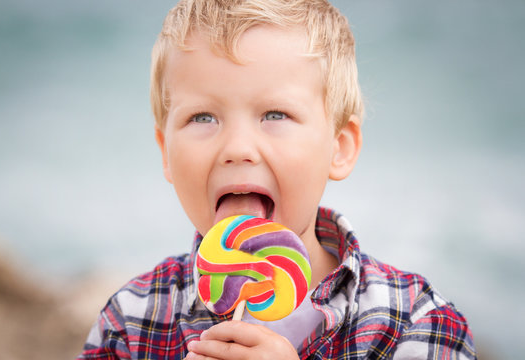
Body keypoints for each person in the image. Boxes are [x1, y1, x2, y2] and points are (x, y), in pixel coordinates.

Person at [78, 0, 476, 359]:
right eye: (203, 117)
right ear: (166, 151)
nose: (238, 147)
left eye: (274, 115)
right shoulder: (129, 321)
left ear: (339, 147)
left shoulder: (417, 323)